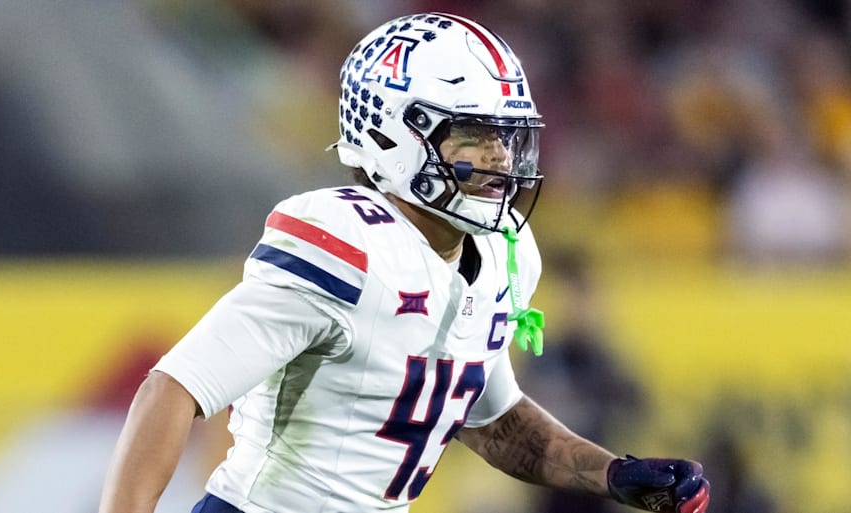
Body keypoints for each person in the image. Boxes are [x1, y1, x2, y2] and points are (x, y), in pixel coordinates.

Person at [99, 12, 710, 513]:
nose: (501, 158)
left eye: (506, 136)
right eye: (474, 135)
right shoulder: (347, 242)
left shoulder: (503, 252)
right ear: (394, 135)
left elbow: (493, 420)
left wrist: (612, 474)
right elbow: (172, 389)